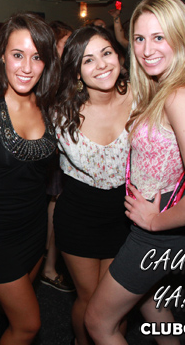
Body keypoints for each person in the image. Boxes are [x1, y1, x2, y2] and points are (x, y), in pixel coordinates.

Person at [85, 0, 185, 345]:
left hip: (158, 235)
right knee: (154, 313)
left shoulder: (179, 97)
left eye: (159, 37)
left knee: (97, 323)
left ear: (180, 37)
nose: (147, 50)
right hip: (153, 231)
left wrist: (153, 222)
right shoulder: (166, 89)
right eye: (139, 38)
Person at [0, 12, 59, 344]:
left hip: (34, 228)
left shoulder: (47, 104)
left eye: (37, 57)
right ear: (2, 56)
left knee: (12, 315)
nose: (27, 67)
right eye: (18, 55)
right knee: (28, 325)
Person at [53, 25, 133, 345]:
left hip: (125, 216)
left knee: (113, 306)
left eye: (106, 53)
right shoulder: (60, 110)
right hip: (78, 218)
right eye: (88, 60)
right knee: (88, 299)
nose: (101, 65)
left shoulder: (141, 97)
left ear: (119, 56)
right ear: (76, 71)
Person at [40, 20, 75, 292]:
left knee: (57, 204)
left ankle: (48, 264)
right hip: (51, 154)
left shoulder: (69, 73)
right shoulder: (47, 77)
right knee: (54, 205)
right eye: (66, 44)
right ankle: (48, 267)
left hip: (63, 155)